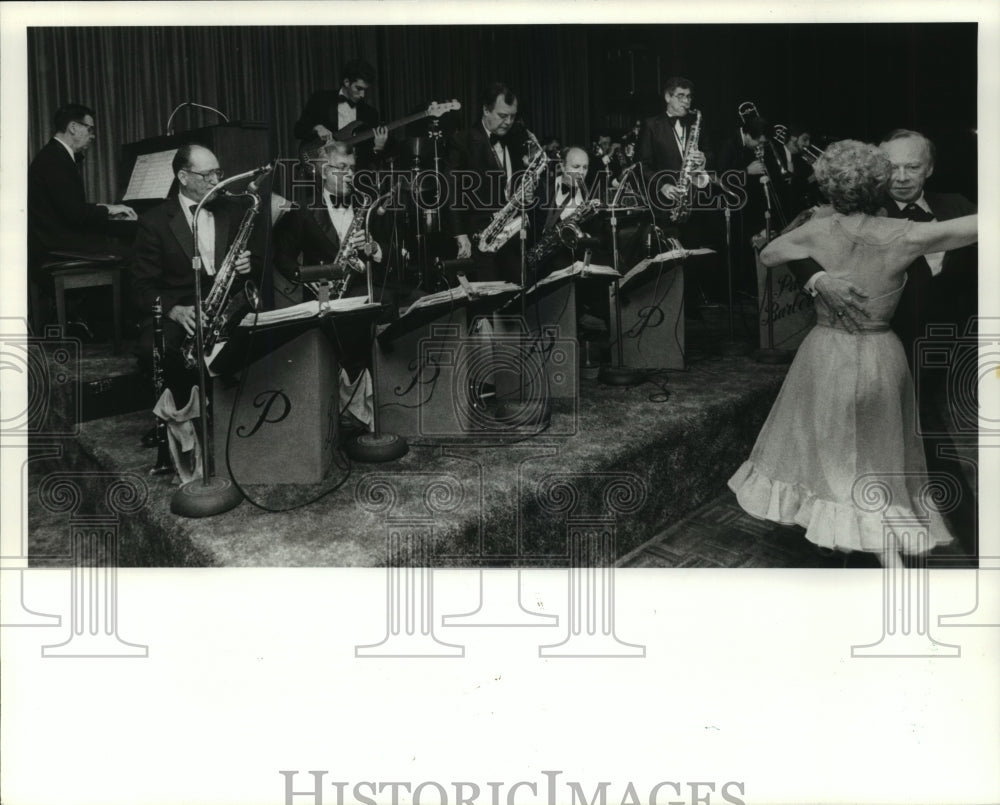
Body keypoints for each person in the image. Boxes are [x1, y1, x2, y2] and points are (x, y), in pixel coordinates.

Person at [728, 140, 977, 566]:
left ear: (827, 187)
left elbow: (769, 253)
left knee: (834, 457)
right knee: (879, 460)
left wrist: (820, 270)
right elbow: (976, 227)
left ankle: (850, 544)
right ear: (879, 184)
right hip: (883, 354)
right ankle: (886, 558)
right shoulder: (906, 235)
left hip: (825, 353)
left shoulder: (815, 230)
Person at [272, 140, 391, 431]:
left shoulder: (367, 204)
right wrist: (308, 280)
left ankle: (364, 410)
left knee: (379, 316)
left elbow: (388, 251)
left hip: (362, 288)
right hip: (324, 292)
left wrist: (373, 247)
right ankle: (343, 411)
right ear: (324, 171)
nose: (349, 174)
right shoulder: (302, 210)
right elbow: (282, 257)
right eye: (341, 168)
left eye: (352, 168)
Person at [129, 144, 255, 403]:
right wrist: (175, 310)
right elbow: (141, 286)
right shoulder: (154, 222)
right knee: (152, 348)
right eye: (206, 175)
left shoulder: (231, 210)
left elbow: (247, 262)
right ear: (183, 177)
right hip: (181, 309)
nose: (216, 181)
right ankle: (181, 412)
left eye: (218, 173)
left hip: (222, 306)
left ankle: (235, 405)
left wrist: (246, 265)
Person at [28, 103, 136, 326]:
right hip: (55, 244)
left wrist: (105, 208)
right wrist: (109, 209)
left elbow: (69, 206)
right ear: (74, 127)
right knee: (131, 253)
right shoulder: (55, 159)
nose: (93, 136)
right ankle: (122, 324)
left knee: (118, 240)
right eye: (90, 129)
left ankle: (100, 320)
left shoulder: (54, 155)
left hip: (53, 238)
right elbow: (74, 214)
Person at [447, 81, 532, 283]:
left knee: (518, 292)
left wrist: (523, 192)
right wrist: (460, 235)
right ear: (485, 110)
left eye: (512, 116)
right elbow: (452, 190)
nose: (509, 122)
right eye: (503, 116)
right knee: (487, 297)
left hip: (511, 234)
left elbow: (514, 179)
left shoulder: (514, 139)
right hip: (480, 235)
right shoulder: (463, 141)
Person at [293, 59, 390, 170]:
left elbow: (370, 162)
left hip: (353, 175)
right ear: (346, 82)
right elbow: (298, 130)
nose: (363, 95)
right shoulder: (321, 99)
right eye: (358, 88)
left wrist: (378, 147)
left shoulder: (370, 114)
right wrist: (317, 127)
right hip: (321, 171)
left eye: (365, 90)